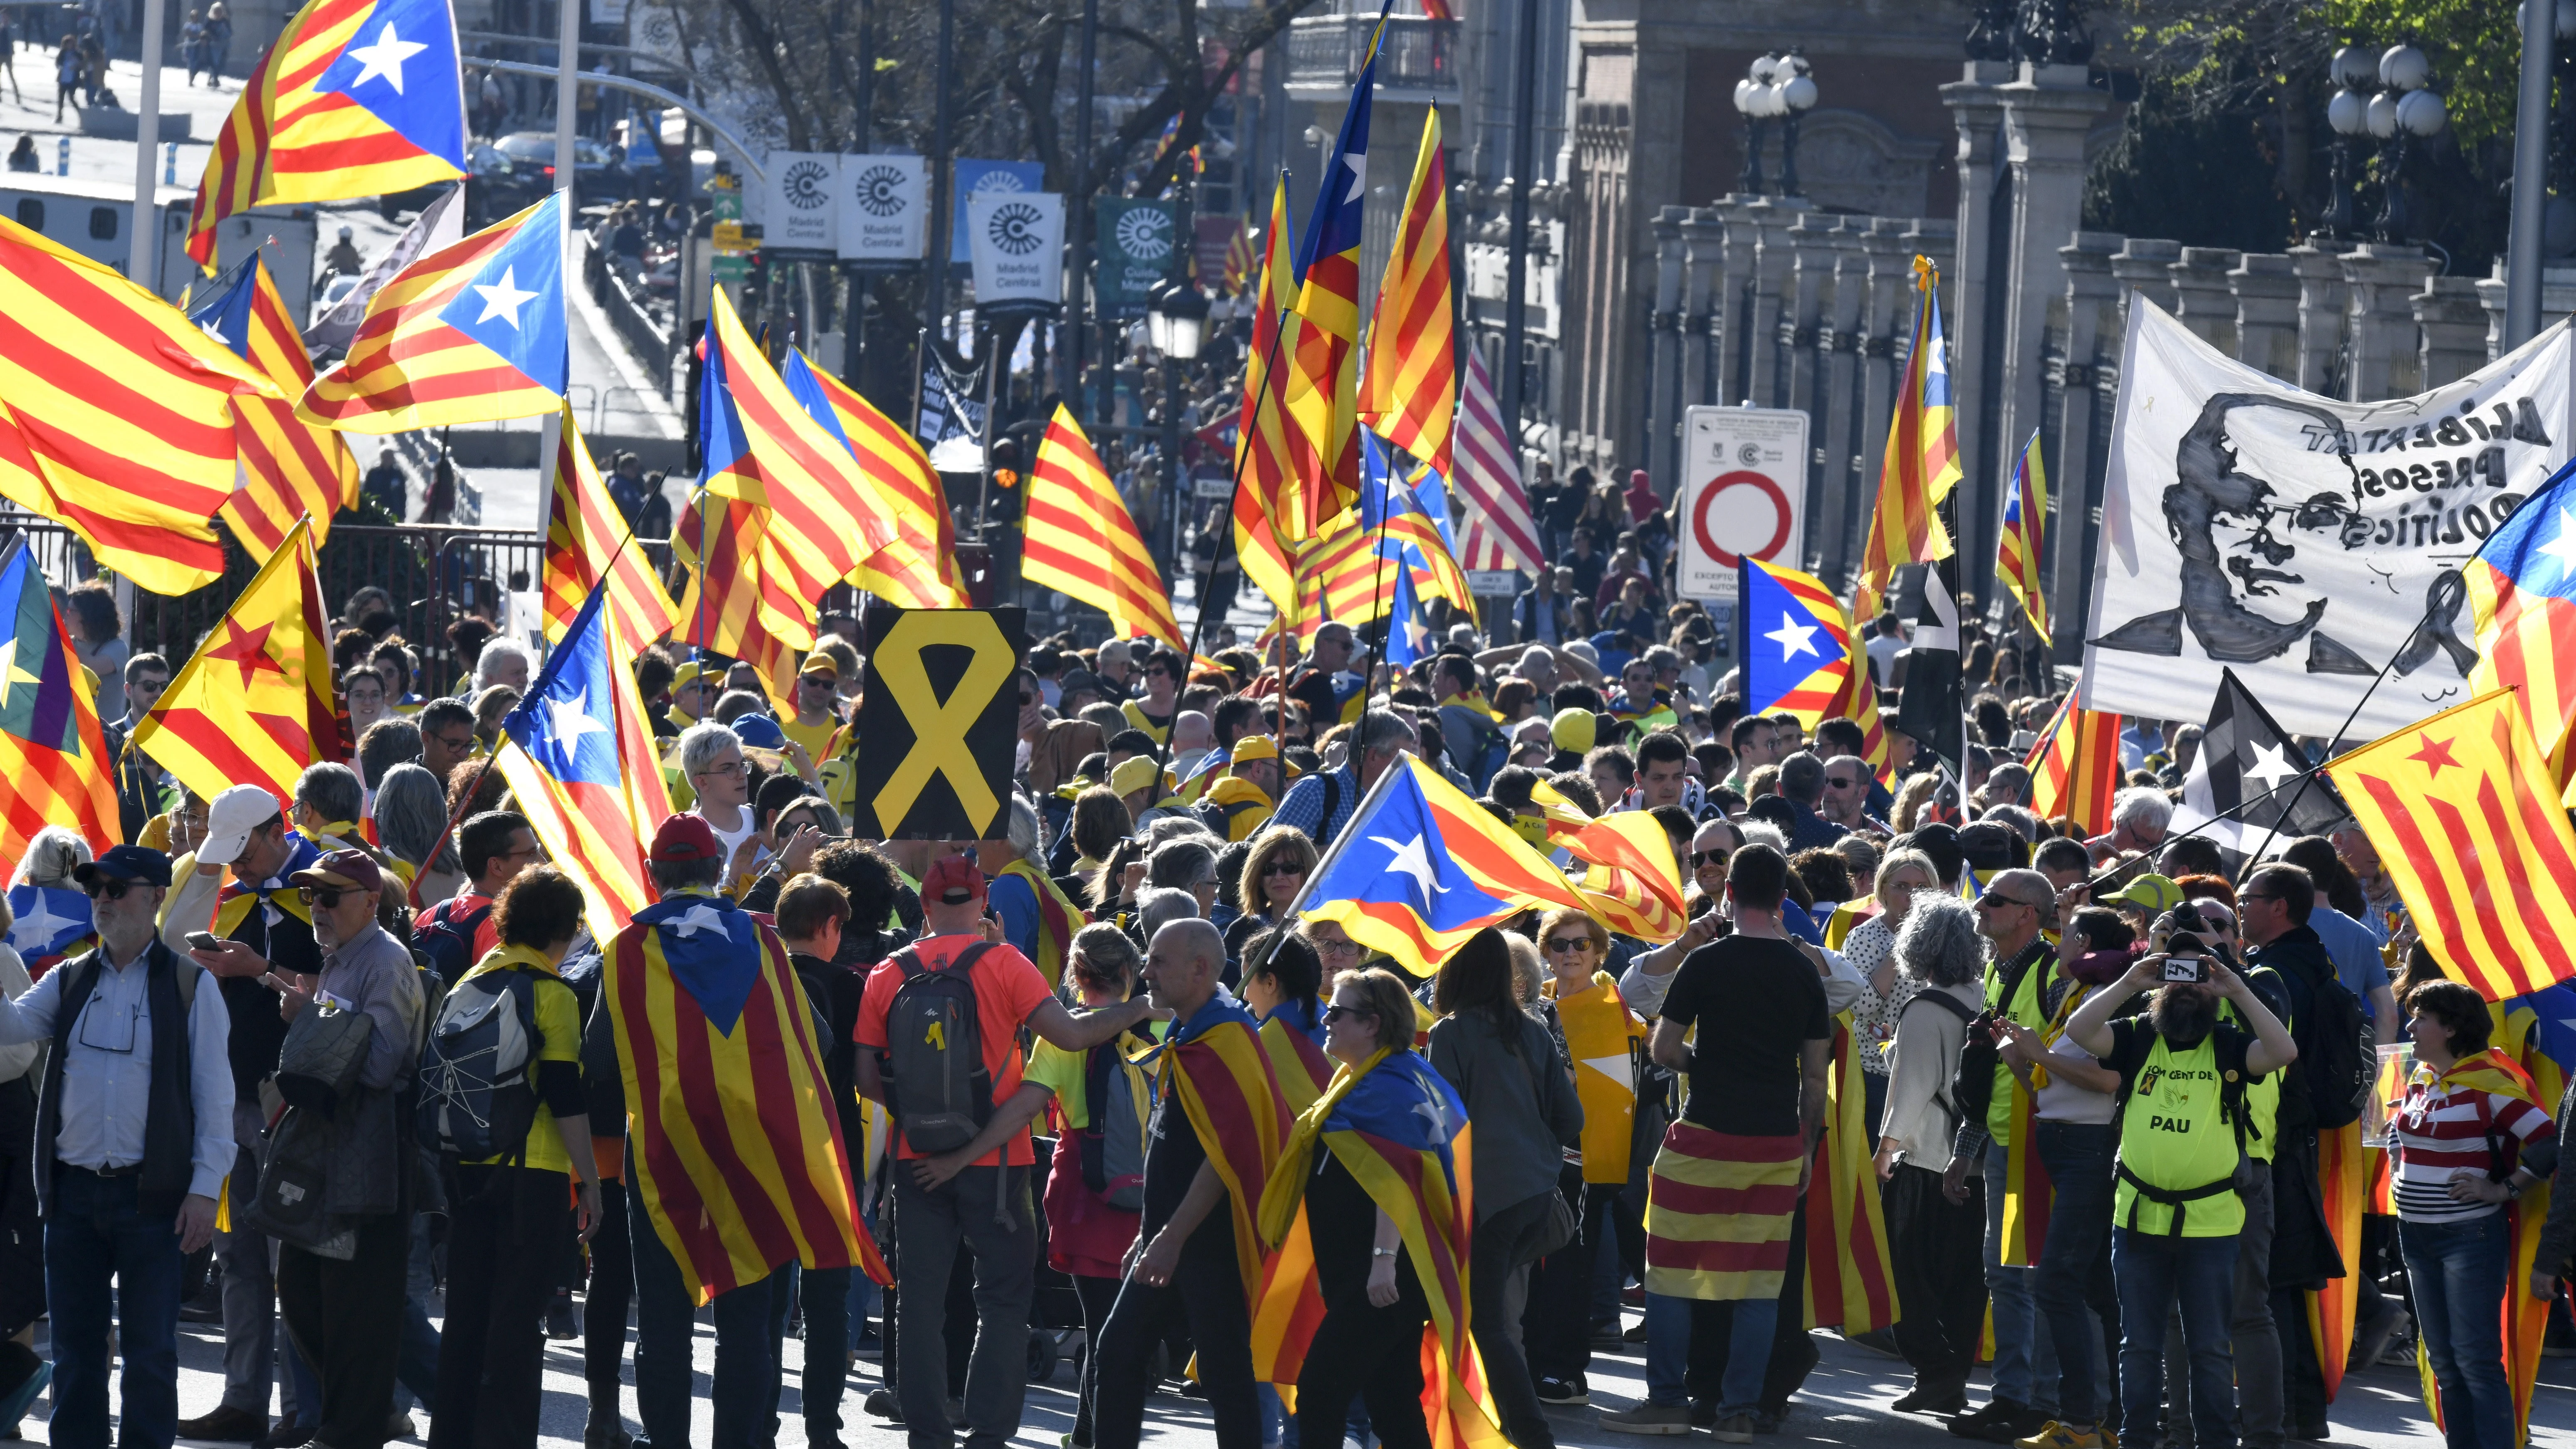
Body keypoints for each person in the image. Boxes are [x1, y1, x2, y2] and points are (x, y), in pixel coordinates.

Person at [855, 855, 1159, 1449]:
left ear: (926, 905)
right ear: (984, 902)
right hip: (1000, 1162)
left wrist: (923, 1110)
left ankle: (927, 1432)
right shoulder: (1006, 964)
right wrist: (1138, 1008)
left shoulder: (887, 973)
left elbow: (867, 1081)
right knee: (1001, 1299)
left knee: (917, 1302)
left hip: (917, 1158)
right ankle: (990, 1433)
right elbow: (1071, 1034)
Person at [606, 816, 884, 1449]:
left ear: (654, 875)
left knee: (665, 1317)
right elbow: (817, 1037)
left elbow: (600, 1059)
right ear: (713, 870)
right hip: (753, 1146)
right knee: (746, 1319)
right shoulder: (761, 943)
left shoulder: (626, 948)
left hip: (662, 1149)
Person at [0, 846, 230, 1449]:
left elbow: (214, 1095)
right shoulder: (70, 977)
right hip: (72, 1194)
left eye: (118, 887)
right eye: (96, 886)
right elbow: (11, 1027)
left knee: (151, 1353)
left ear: (156, 897)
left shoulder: (191, 983)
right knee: (76, 1352)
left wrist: (206, 1188)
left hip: (152, 1199)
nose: (102, 896)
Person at [1605, 844, 1831, 1442]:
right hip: (1776, 1143)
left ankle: (1668, 1400)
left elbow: (1664, 1049)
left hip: (1703, 1136)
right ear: (1783, 899)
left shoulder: (1704, 964)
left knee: (1672, 1273)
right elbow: (1815, 1077)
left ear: (1728, 893)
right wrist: (1805, 1146)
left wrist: (1704, 1063)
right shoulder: (1805, 970)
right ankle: (1739, 1409)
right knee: (1758, 1283)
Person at [2061, 926, 2299, 1449]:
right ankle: (2139, 1440)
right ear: (2160, 986)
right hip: (2138, 1217)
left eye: (2200, 975)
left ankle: (2216, 1442)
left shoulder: (2231, 1045)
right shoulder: (2138, 1036)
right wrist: (2128, 981)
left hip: (2212, 1223)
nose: (2188, 984)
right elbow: (2080, 1030)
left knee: (2211, 1348)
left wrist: (2237, 989)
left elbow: (2283, 1052)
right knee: (2139, 1346)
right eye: (2177, 975)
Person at [1257, 966, 1473, 1449]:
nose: (1326, 1019)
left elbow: (1398, 1187)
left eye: (1338, 1011)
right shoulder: (1366, 1079)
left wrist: (1383, 1262)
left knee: (1320, 1394)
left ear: (1372, 1023)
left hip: (1382, 1278)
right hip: (1372, 1274)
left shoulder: (1389, 1089)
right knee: (1392, 1402)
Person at [165, 785, 322, 1446]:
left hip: (291, 1102)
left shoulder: (324, 885)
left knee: (297, 1263)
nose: (240, 864)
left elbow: (330, 996)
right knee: (240, 1260)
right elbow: (171, 940)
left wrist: (261, 971)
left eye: (244, 849)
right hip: (229, 1100)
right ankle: (243, 1398)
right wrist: (205, 868)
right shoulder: (231, 892)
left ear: (276, 828)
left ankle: (306, 1407)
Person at [1087, 918, 1279, 1449]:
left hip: (1208, 1244)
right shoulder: (1189, 1033)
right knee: (1119, 1353)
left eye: (1158, 961)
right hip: (1167, 1240)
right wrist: (1147, 1233)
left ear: (1200, 969)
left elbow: (1226, 1160)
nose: (1145, 970)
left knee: (1225, 1377)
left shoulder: (1228, 1041)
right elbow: (1171, 1144)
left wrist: (1169, 1239)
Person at [431, 866, 604, 1449]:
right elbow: (564, 1095)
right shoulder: (552, 992)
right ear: (568, 927)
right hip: (533, 1174)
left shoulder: (471, 981)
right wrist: (592, 1183)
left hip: (465, 1164)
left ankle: (451, 1436)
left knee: (465, 1318)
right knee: (516, 1323)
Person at [1427, 928, 1582, 1449]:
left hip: (1487, 1202)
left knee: (1489, 1324)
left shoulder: (1450, 1034)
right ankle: (1501, 1427)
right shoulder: (1534, 1031)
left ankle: (1530, 1435)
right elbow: (1571, 1118)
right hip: (1535, 1194)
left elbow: (1439, 1124)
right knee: (1497, 1320)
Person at [2388, 980, 2557, 1449]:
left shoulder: (2490, 1084)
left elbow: (2548, 1144)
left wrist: (2501, 1189)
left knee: (2475, 1360)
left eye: (2421, 1018)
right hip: (2415, 1235)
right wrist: (2399, 1162)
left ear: (2452, 1027)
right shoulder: (2421, 1077)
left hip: (2469, 1237)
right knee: (2445, 1362)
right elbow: (2397, 1135)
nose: (2411, 1026)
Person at [1996, 906, 2135, 1449]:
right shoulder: (2076, 996)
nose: (2059, 945)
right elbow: (2056, 1094)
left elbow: (2108, 1081)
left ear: (2090, 942)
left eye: (2069, 934)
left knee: (2057, 1283)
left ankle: (2082, 1423)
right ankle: (2114, 1420)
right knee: (2100, 1287)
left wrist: (2041, 1055)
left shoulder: (2112, 998)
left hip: (2089, 1153)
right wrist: (2020, 1061)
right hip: (2063, 1147)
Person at [1023, 926, 1158, 1449]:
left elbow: (1031, 1105)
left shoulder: (1060, 1033)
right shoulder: (1159, 1028)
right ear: (1130, 973)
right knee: (1122, 1330)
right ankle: (1092, 1433)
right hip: (1148, 1185)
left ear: (1077, 978)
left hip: (1084, 1184)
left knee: (1099, 1320)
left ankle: (1092, 1434)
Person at [1943, 868, 2065, 1443]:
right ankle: (2014, 1396)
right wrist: (1965, 1152)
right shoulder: (1997, 967)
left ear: (2028, 914)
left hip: (2038, 1149)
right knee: (2007, 1275)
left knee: (2026, 1276)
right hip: (2001, 1144)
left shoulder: (2053, 972)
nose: (1982, 905)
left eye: (1995, 900)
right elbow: (1985, 1067)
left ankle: (2041, 1400)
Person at [1526, 907, 1647, 1407]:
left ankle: (1566, 1371)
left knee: (1572, 1268)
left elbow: (1619, 1096)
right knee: (1538, 1269)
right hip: (1537, 1160)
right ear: (1544, 952)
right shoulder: (1537, 1004)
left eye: (1581, 944)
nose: (1570, 953)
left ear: (1600, 951)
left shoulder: (1614, 1010)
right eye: (1559, 944)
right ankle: (1535, 1365)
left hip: (1589, 1163)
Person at [1874, 892, 1987, 1414]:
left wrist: (1884, 1151)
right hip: (1977, 1158)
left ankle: (1936, 1371)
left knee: (1905, 1278)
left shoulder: (1925, 1009)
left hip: (1926, 1160)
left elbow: (1910, 1087)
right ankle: (1952, 1374)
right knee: (1965, 1280)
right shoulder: (1985, 996)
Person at [771, 873, 866, 1449]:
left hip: (768, 1145)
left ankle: (760, 1419)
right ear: (829, 927)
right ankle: (822, 1427)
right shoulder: (848, 987)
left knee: (767, 1292)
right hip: (831, 1152)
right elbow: (862, 1074)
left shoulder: (761, 974)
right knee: (827, 1298)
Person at [1271, 709, 1415, 852]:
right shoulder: (1315, 790)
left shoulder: (1393, 804)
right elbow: (1270, 853)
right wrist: (1347, 854)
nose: (1407, 768)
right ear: (1373, 756)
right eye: (1401, 760)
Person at [1221, 826, 1315, 967]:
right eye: (1269, 869)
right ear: (1258, 877)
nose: (1278, 877)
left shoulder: (1326, 929)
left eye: (1290, 868)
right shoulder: (1240, 930)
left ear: (1308, 872)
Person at [361, 448, 408, 520]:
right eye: (388, 457)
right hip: (376, 513)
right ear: (382, 458)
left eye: (391, 457)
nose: (390, 459)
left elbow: (402, 495)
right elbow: (366, 492)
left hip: (394, 512)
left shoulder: (398, 474)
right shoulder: (374, 473)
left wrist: (402, 514)